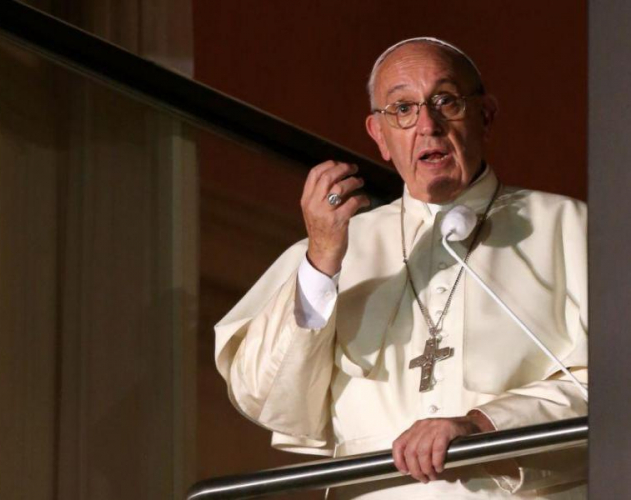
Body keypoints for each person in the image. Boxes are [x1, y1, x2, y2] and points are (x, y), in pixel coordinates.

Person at [214, 37, 587, 499]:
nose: (426, 125)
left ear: (485, 115)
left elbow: (613, 385)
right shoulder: (335, 245)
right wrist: (322, 260)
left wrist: (486, 426)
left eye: (445, 101)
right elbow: (265, 395)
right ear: (379, 136)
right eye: (402, 109)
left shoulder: (572, 228)